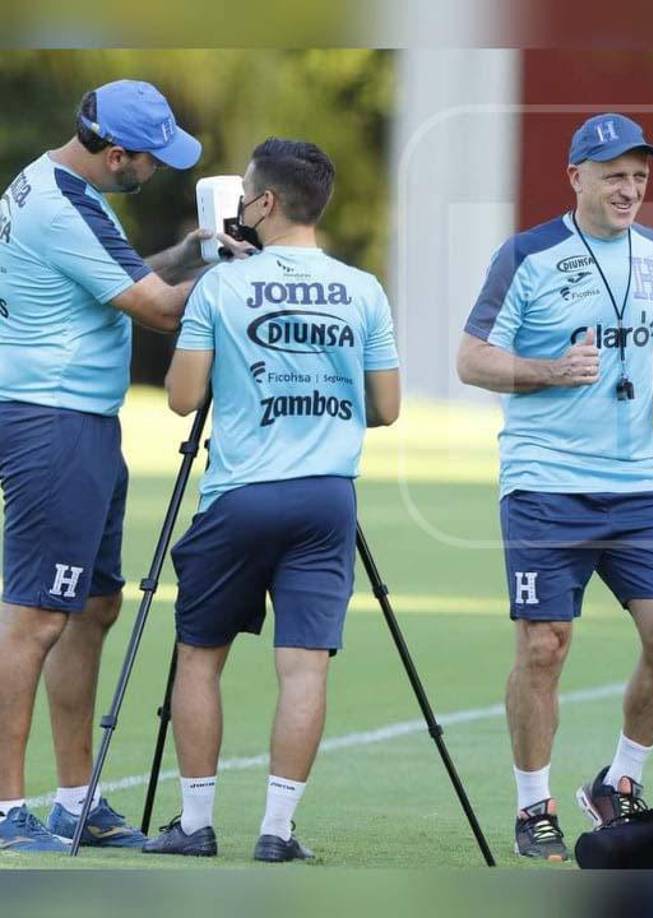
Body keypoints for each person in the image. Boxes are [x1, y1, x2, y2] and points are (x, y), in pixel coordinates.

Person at [142, 138, 401, 862]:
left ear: (263, 204)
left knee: (200, 655)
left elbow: (182, 398)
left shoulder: (223, 287)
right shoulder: (364, 289)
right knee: (305, 665)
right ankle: (277, 832)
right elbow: (386, 407)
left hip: (240, 494)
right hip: (326, 498)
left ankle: (196, 824)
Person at [456, 113, 653, 862]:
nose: (630, 190)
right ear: (576, 178)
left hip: (636, 481)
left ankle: (619, 783)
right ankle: (535, 806)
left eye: (639, 177)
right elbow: (471, 359)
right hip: (545, 482)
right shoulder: (527, 255)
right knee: (543, 647)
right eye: (615, 176)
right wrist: (549, 371)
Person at [0, 79, 222, 852]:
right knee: (35, 617)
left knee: (92, 609)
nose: (156, 171)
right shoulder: (64, 207)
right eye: (151, 159)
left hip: (78, 419)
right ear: (116, 153)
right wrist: (240, 280)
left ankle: (74, 801)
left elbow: (124, 286)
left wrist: (194, 254)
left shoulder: (57, 183)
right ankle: (6, 810)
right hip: (51, 419)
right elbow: (161, 309)